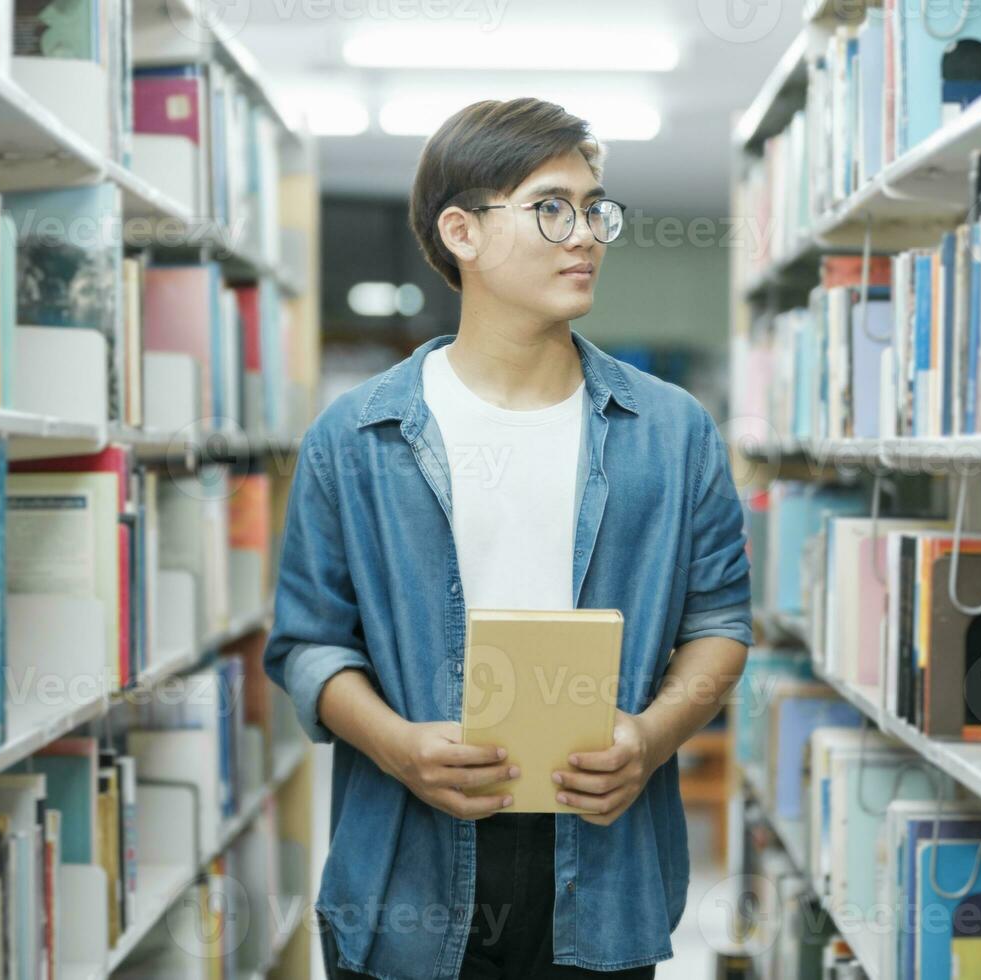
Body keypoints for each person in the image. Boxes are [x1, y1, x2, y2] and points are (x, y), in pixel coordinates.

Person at [262, 97, 752, 980]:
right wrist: (394, 745)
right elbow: (308, 645)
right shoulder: (356, 435)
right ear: (462, 231)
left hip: (603, 869)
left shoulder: (674, 433)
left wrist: (649, 737)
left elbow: (720, 624)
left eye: (596, 208)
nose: (587, 235)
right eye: (552, 208)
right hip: (404, 872)